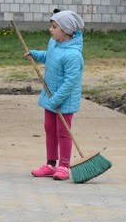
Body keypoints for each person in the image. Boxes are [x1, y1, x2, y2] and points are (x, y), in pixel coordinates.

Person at [27, 10, 85, 181]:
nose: (50, 30)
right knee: (49, 128)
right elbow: (50, 57)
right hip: (50, 96)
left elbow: (70, 82)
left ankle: (64, 166)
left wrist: (56, 100)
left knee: (63, 131)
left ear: (66, 30)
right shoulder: (54, 44)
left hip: (63, 100)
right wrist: (36, 55)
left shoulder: (73, 55)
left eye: (54, 27)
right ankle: (51, 164)